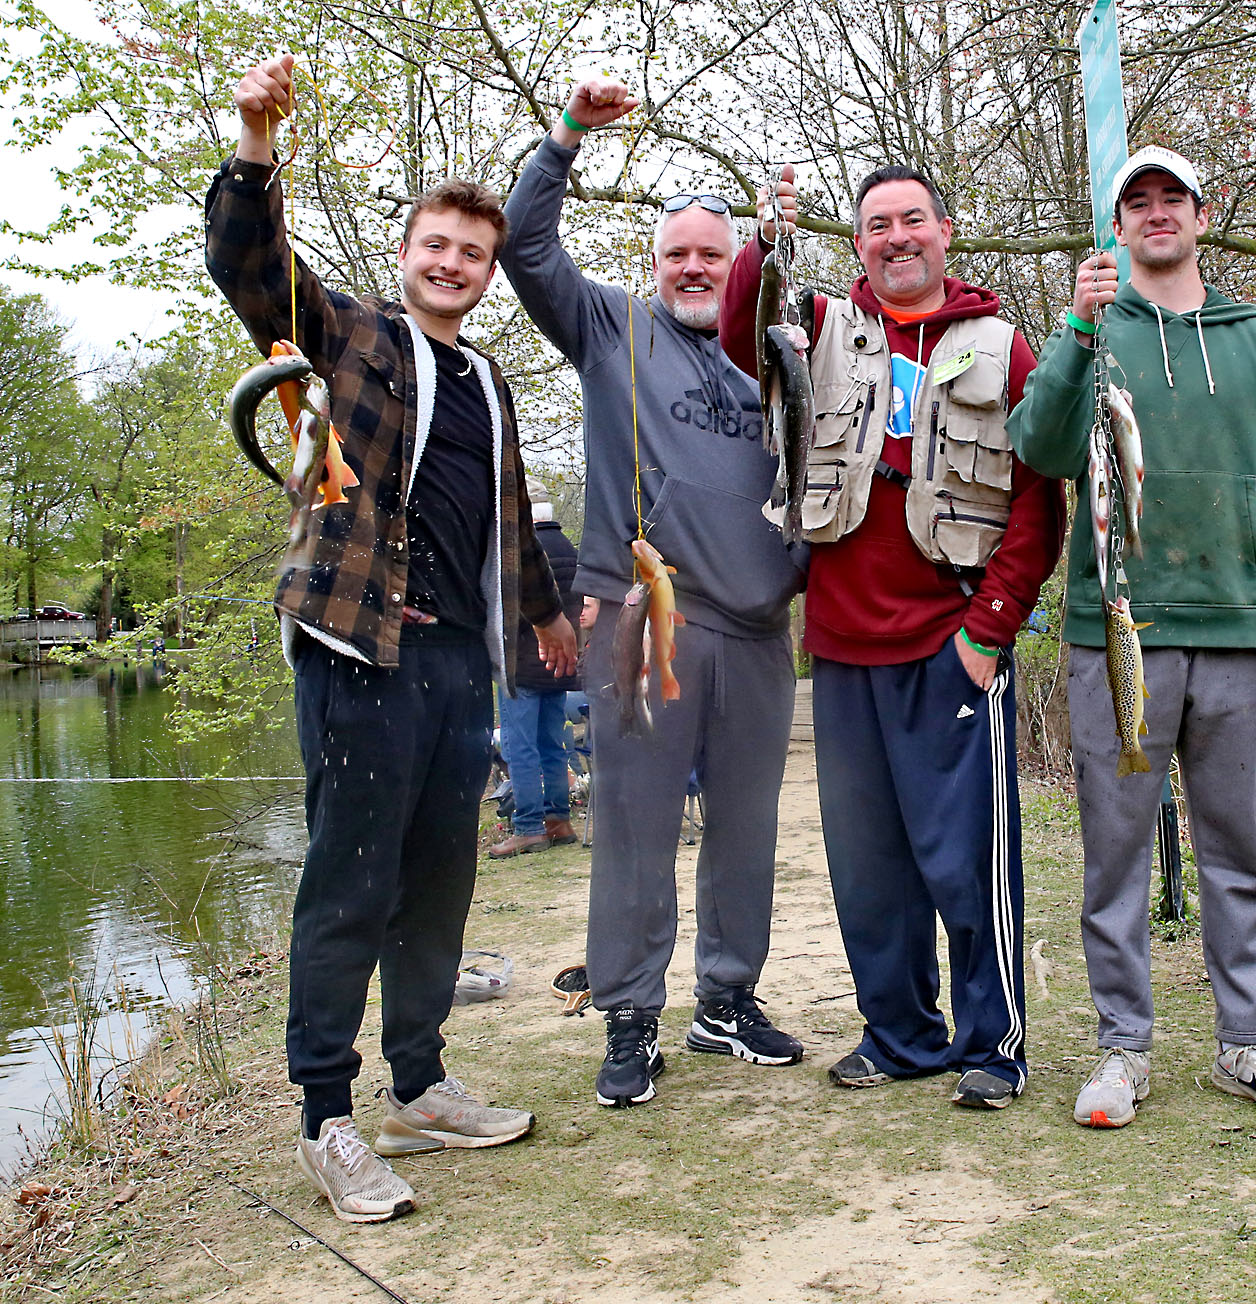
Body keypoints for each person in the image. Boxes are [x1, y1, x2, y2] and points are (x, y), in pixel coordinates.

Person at [207, 55, 577, 1222]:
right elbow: (250, 267)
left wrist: (545, 615)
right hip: (359, 645)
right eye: (436, 245)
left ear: (484, 270)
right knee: (348, 888)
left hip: (461, 661)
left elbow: (506, 516)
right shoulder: (351, 335)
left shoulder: (490, 378)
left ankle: (418, 1084)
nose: (453, 264)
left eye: (472, 252)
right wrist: (257, 147)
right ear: (408, 250)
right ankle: (328, 1113)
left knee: (439, 880)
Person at [1006, 146, 1256, 1127]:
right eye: (1136, 202)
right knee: (1113, 852)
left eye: (1172, 199)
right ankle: (1121, 1050)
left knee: (1234, 848)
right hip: (1115, 636)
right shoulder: (1093, 336)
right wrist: (1076, 326)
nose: (1156, 214)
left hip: (1243, 638)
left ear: (1202, 215)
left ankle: (1240, 1042)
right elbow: (1039, 446)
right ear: (1117, 225)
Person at [720, 165, 1066, 1110]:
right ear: (859, 242)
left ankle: (995, 1043)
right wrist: (763, 241)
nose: (897, 237)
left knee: (967, 857)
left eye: (914, 219)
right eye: (878, 225)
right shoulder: (823, 327)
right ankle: (899, 1032)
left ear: (946, 232)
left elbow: (1038, 501)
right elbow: (741, 329)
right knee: (869, 866)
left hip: (951, 644)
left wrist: (988, 631)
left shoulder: (1005, 346)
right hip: (841, 649)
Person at [502, 78, 807, 1108]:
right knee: (634, 826)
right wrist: (568, 138)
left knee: (746, 828)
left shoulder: (770, 356)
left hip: (760, 632)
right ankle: (630, 1014)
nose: (691, 267)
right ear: (653, 262)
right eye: (676, 252)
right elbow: (523, 247)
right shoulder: (608, 325)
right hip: (641, 622)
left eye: (711, 256)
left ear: (734, 272)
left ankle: (726, 1001)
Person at [490, 485, 583, 855]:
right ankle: (558, 819)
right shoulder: (571, 552)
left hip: (521, 668)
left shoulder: (520, 554)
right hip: (559, 666)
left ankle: (528, 826)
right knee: (553, 743)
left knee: (520, 748)